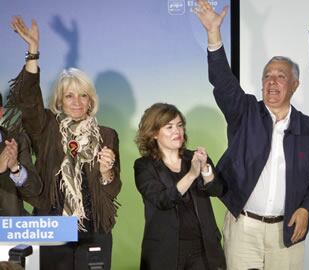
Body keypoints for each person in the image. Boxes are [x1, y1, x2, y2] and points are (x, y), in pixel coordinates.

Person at [194, 0, 309, 270]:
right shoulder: (245, 112)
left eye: (280, 76)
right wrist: (213, 35)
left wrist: (306, 209)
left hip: (286, 231)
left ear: (295, 85)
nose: (272, 81)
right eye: (267, 76)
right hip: (244, 228)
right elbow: (223, 82)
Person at [10, 16, 120, 270]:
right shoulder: (46, 128)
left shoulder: (107, 134)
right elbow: (27, 100)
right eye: (69, 96)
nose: (77, 102)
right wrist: (33, 54)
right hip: (53, 230)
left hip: (95, 230)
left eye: (83, 95)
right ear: (59, 101)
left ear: (91, 100)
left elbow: (113, 189)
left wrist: (107, 174)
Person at [134, 103, 225, 270]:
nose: (177, 131)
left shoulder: (195, 158)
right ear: (154, 133)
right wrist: (191, 175)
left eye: (179, 125)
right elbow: (162, 200)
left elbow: (217, 190)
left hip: (203, 249)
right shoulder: (144, 166)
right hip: (165, 252)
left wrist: (204, 169)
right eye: (169, 127)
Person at [0, 92, 42, 216]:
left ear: (1, 112)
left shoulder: (15, 140)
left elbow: (34, 189)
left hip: (14, 229)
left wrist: (15, 168)